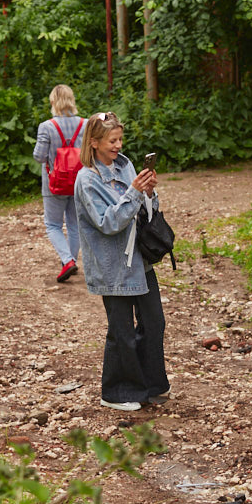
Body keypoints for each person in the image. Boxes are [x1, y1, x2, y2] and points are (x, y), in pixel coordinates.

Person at [74, 112, 169, 412]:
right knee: (122, 330)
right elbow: (108, 223)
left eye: (120, 139)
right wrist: (134, 192)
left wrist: (149, 193)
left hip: (140, 260)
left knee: (154, 321)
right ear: (94, 143)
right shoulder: (87, 180)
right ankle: (116, 392)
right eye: (112, 140)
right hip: (112, 266)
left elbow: (143, 211)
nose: (118, 145)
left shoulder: (126, 166)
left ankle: (150, 386)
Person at [33, 84, 86, 282]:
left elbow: (39, 157)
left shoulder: (47, 127)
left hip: (54, 183)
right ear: (72, 100)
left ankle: (67, 260)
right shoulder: (86, 124)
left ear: (53, 102)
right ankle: (70, 260)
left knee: (53, 224)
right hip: (79, 181)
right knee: (74, 224)